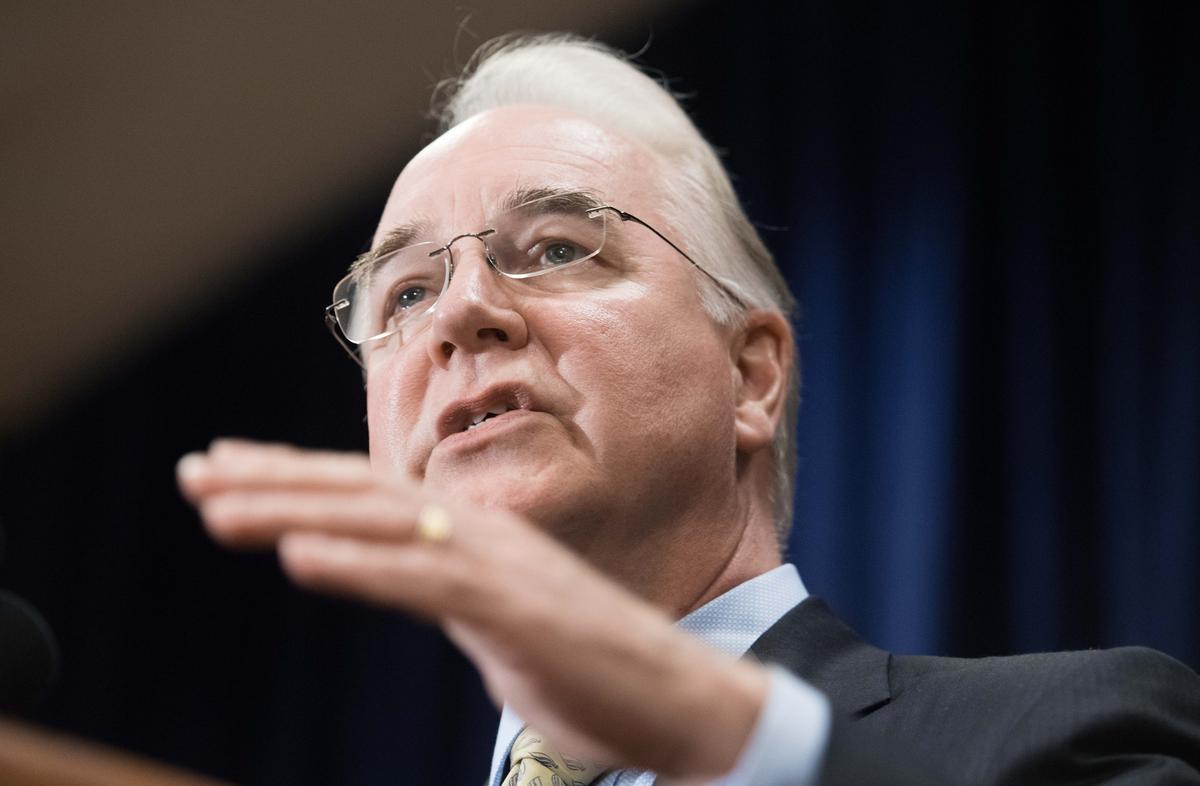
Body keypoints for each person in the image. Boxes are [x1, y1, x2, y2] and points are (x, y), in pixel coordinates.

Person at [175, 34, 1200, 785]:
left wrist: (728, 740)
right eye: (404, 292)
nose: (463, 312)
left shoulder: (1071, 735)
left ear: (751, 375)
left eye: (558, 249)